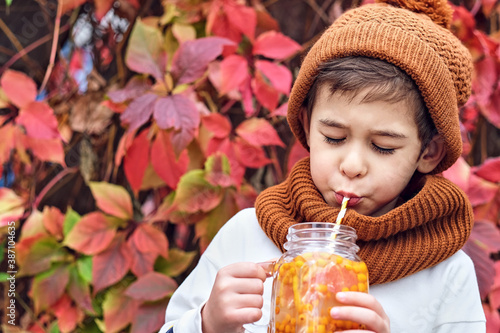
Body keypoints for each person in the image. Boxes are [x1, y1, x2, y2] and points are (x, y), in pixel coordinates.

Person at [159, 0, 486, 331]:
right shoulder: (247, 235)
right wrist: (207, 323)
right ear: (307, 125)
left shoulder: (445, 272)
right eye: (333, 137)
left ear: (428, 152)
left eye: (383, 147)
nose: (353, 165)